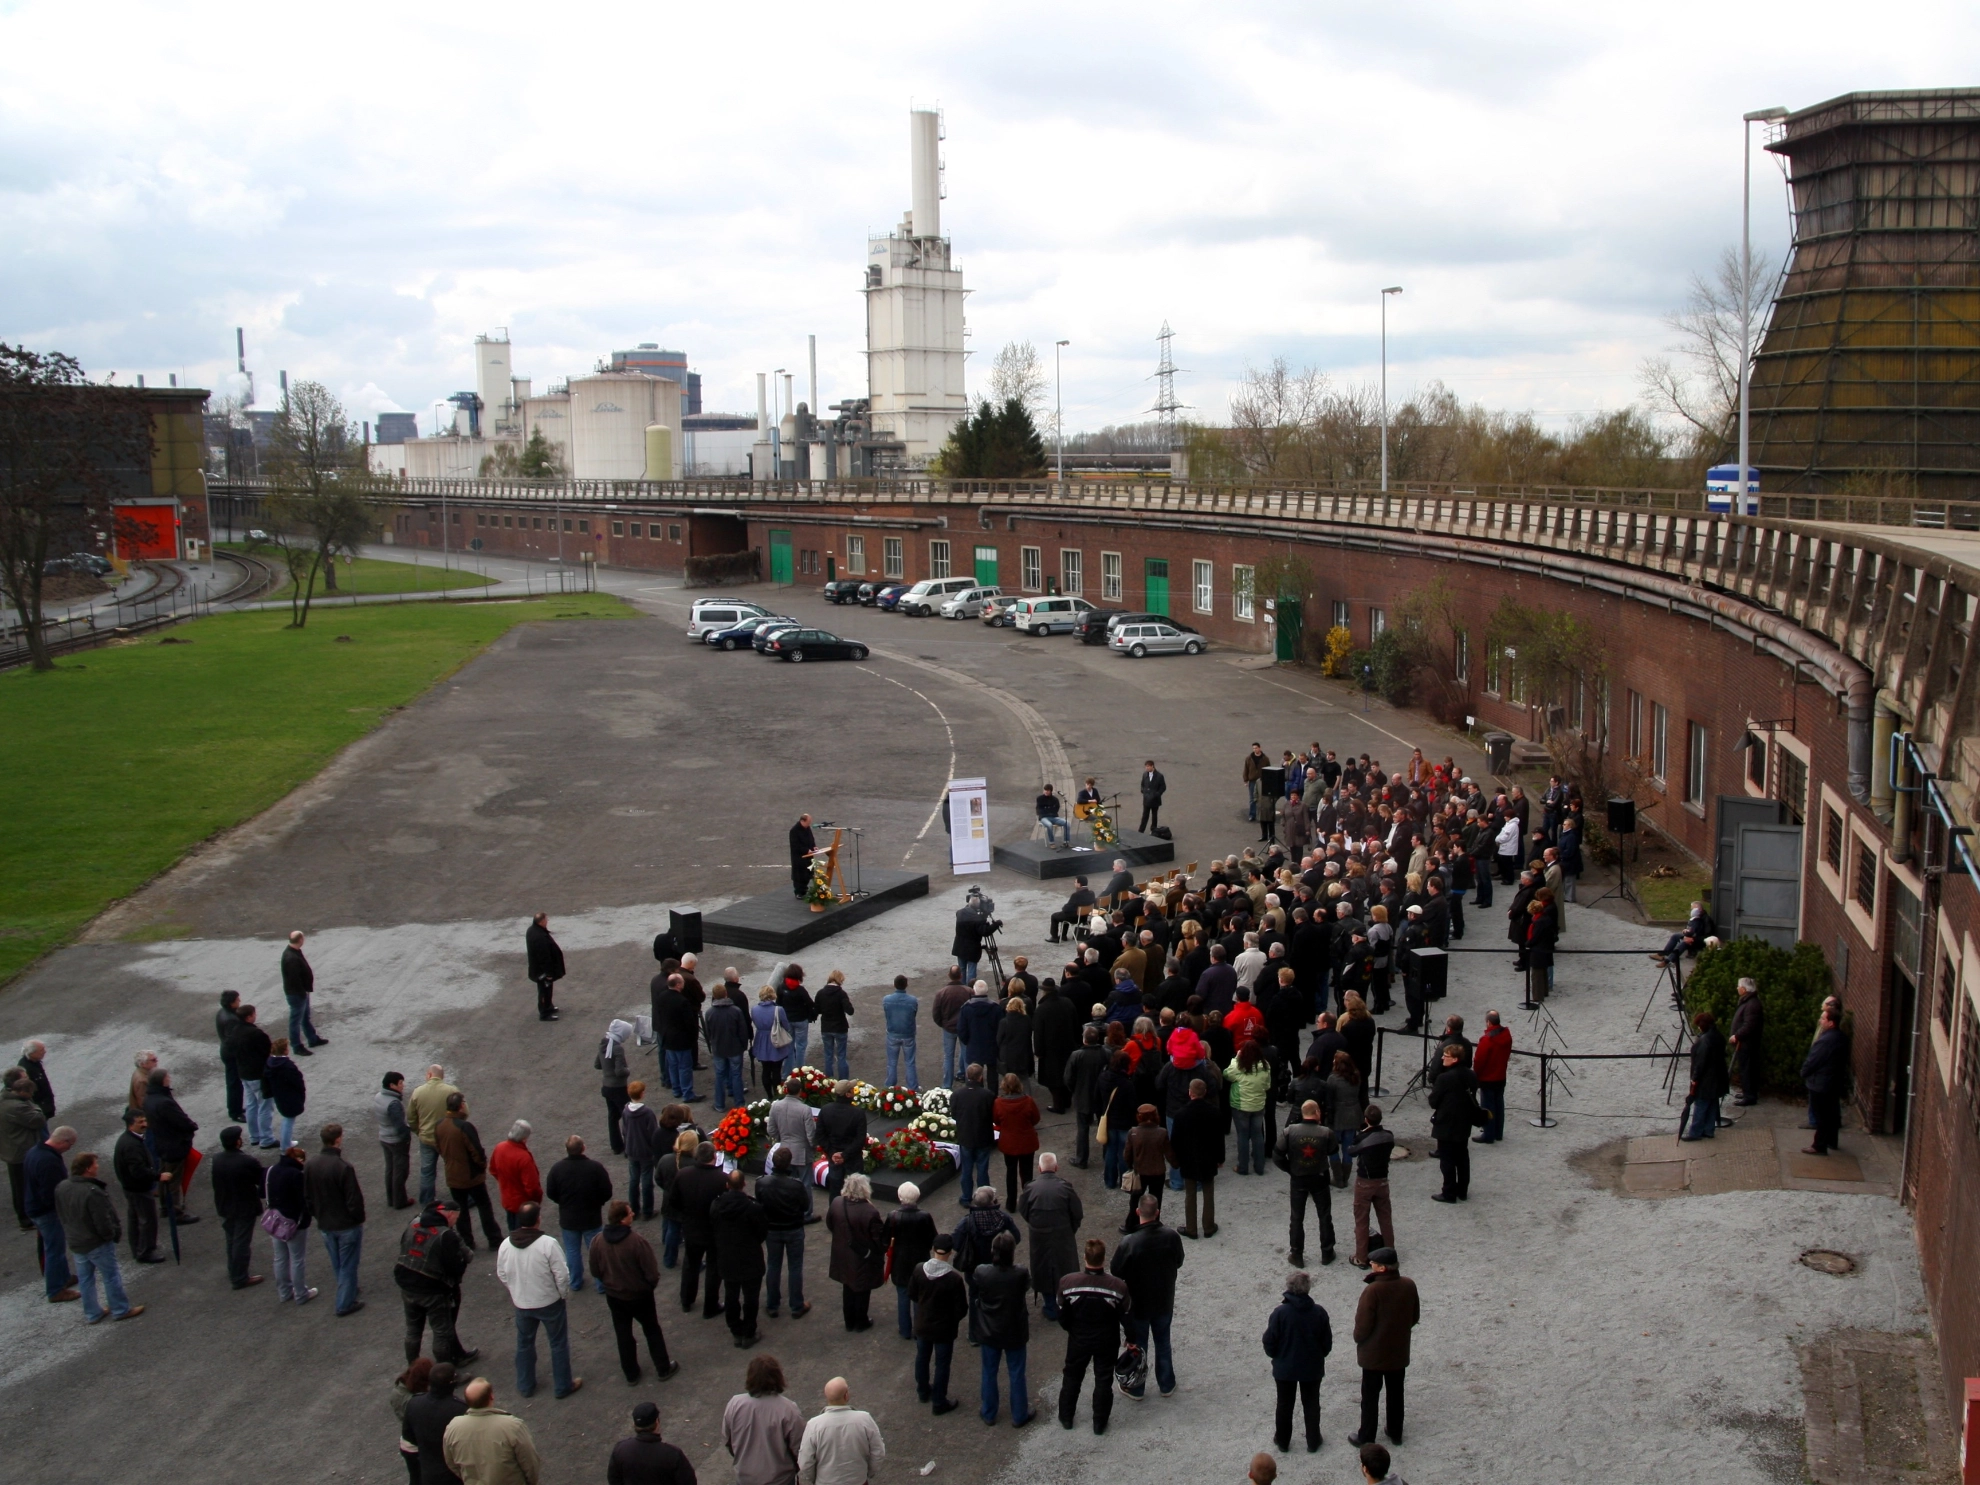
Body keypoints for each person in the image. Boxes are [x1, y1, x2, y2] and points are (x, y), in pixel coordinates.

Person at [496, 1200, 583, 1399]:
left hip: (522, 1303)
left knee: (524, 1343)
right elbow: (561, 1274)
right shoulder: (547, 1244)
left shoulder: (506, 1245)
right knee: (558, 1343)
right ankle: (562, 1386)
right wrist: (563, 1294)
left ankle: (525, 1385)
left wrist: (515, 1290)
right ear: (538, 1219)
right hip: (549, 1301)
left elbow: (502, 1273)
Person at [591, 1199, 679, 1383]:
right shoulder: (636, 1242)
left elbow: (595, 1270)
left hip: (614, 1296)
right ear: (622, 1219)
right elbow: (651, 1272)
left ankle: (630, 1373)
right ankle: (663, 1367)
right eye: (629, 1212)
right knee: (652, 1329)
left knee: (623, 1334)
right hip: (639, 1296)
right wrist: (648, 1287)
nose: (633, 1214)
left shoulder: (598, 1241)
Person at [56, 1149, 144, 1323]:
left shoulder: (62, 1187)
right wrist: (110, 1235)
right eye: (95, 1164)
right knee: (111, 1276)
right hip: (96, 1243)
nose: (98, 1166)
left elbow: (61, 1213)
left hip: (76, 1242)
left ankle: (92, 1313)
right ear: (88, 1169)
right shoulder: (92, 1191)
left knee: (85, 1279)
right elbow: (102, 1220)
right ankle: (120, 1309)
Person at [1110, 1193, 1183, 1398]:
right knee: (1163, 1342)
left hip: (1138, 1302)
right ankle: (1166, 1384)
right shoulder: (1171, 1236)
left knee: (1138, 1344)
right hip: (1164, 1299)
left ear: (1138, 1212)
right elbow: (1179, 1260)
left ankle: (1137, 1387)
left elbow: (1116, 1270)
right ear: (1157, 1213)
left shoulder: (1129, 1242)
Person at [1055, 1236, 1127, 1434]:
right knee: (1103, 1379)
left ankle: (1066, 1417)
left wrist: (1071, 1329)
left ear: (1084, 1257)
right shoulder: (1117, 1287)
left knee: (1072, 1376)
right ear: (1103, 1258)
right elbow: (1125, 1314)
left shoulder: (1068, 1283)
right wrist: (1130, 1337)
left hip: (1079, 1338)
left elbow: (1061, 1312)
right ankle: (1099, 1423)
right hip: (1107, 1339)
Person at [1348, 1248, 1419, 1448]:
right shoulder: (1408, 1285)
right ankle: (1395, 1431)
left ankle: (1366, 1435)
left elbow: (1363, 1326)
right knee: (1396, 1393)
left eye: (1374, 1263)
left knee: (1370, 1396)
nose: (1370, 1265)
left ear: (1382, 1268)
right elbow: (1414, 1317)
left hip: (1374, 1355)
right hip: (1398, 1352)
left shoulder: (1373, 1291)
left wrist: (1358, 1338)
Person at [396, 1199, 476, 1366]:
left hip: (407, 1284)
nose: (456, 1222)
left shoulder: (414, 1222)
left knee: (413, 1331)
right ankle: (445, 1373)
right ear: (451, 1215)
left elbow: (403, 1244)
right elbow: (456, 1265)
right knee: (442, 1332)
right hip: (432, 1289)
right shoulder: (445, 1235)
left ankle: (413, 1370)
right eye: (456, 1218)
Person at [1263, 1269, 1332, 1453]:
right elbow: (1327, 1343)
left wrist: (1277, 1357)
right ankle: (1313, 1440)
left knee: (1284, 1404)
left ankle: (1283, 1440)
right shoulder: (1319, 1312)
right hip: (1312, 1367)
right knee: (1311, 1403)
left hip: (1285, 1368)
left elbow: (1269, 1341)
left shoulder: (1280, 1313)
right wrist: (1318, 1357)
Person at [971, 1229, 1033, 1426]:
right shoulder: (1020, 1273)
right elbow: (1025, 1288)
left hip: (990, 1329)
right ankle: (1019, 1414)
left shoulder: (982, 1272)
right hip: (1014, 1329)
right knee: (1016, 1372)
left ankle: (989, 1412)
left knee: (989, 1371)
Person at [308, 1121, 368, 1315]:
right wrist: (357, 1218)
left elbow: (307, 1197)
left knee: (337, 1262)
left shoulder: (310, 1165)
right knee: (349, 1263)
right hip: (346, 1224)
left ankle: (348, 1288)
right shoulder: (343, 1167)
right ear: (338, 1139)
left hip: (325, 1223)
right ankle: (344, 1303)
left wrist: (316, 1214)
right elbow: (354, 1199)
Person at [1013, 1152, 1082, 1320]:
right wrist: (1069, 1229)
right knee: (1065, 1266)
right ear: (1056, 1168)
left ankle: (1050, 1307)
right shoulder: (1065, 1188)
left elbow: (1023, 1210)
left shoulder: (1030, 1188)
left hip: (1039, 1236)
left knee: (1042, 1269)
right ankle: (1066, 1304)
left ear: (1039, 1168)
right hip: (1063, 1234)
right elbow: (1077, 1213)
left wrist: (1035, 1225)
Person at [544, 1133, 613, 1294]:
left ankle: (575, 1282)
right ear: (583, 1148)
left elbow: (551, 1192)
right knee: (596, 1250)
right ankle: (601, 1283)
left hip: (569, 1218)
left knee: (572, 1251)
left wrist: (563, 1202)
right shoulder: (595, 1167)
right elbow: (607, 1191)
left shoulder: (557, 1169)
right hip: (591, 1217)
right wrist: (598, 1202)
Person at [724, 1354, 807, 1485]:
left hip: (745, 1478)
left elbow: (729, 1440)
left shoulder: (735, 1404)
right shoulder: (788, 1410)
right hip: (780, 1479)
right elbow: (800, 1449)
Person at [1274, 1099, 1339, 1265]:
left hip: (1298, 1178)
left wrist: (1290, 1168)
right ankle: (1327, 1252)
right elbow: (1333, 1150)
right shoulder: (1326, 1133)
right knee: (1324, 1215)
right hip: (1319, 1177)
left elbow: (1277, 1155)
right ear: (1317, 1112)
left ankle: (1296, 1254)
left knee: (1296, 1217)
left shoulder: (1289, 1131)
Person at [442, 1378, 542, 1485]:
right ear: (491, 1396)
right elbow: (530, 1462)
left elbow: (451, 1462)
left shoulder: (453, 1427)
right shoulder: (512, 1426)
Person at [908, 1235, 968, 1413]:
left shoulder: (919, 1270)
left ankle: (923, 1390)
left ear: (933, 1250)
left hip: (923, 1323)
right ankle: (939, 1401)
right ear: (950, 1253)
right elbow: (962, 1309)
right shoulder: (954, 1279)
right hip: (944, 1328)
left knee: (922, 1357)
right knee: (942, 1364)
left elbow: (912, 1294)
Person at [436, 1094, 502, 1252]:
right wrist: (481, 1166)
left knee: (461, 1210)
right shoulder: (464, 1127)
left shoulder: (439, 1125)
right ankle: (494, 1238)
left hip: (452, 1175)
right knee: (484, 1206)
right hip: (471, 1176)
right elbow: (476, 1152)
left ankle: (467, 1241)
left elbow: (439, 1148)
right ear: (460, 1106)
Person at [712, 1169, 769, 1346]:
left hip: (727, 1258)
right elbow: (761, 1233)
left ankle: (735, 1329)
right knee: (751, 1297)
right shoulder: (753, 1208)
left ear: (727, 1185)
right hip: (750, 1258)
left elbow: (714, 1227)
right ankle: (749, 1331)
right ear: (744, 1184)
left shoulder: (716, 1206)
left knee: (731, 1295)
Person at [826, 1172, 886, 1331]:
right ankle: (861, 1322)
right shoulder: (869, 1211)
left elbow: (830, 1225)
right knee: (862, 1289)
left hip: (842, 1254)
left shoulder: (837, 1202)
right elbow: (879, 1239)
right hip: (862, 1257)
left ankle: (849, 1321)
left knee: (847, 1286)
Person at [795, 1377, 885, 1485]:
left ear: (826, 1396)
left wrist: (816, 1479)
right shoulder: (864, 1419)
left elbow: (805, 1462)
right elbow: (878, 1451)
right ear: (846, 1395)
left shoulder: (814, 1425)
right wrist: (867, 1473)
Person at [675, 1141, 729, 1317]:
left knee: (690, 1265)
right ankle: (710, 1305)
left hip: (691, 1229)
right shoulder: (721, 1179)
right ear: (714, 1157)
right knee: (714, 1268)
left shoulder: (683, 1175)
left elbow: (673, 1202)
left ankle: (686, 1300)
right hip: (714, 1232)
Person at [210, 1125, 267, 1289]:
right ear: (237, 1142)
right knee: (241, 1242)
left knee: (231, 1239)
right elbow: (261, 1179)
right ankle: (240, 1277)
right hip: (244, 1207)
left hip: (224, 1205)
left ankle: (233, 1270)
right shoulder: (246, 1161)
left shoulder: (217, 1159)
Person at [26, 1124, 79, 1301]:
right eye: (70, 1145)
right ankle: (56, 1290)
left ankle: (63, 1277)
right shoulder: (49, 1162)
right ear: (64, 1141)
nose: (69, 1149)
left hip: (34, 1207)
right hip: (46, 1212)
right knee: (54, 1249)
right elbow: (51, 1193)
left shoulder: (34, 1152)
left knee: (54, 1247)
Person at [143, 1066, 202, 1221]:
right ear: (162, 1081)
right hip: (174, 1144)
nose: (169, 1078)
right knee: (174, 1179)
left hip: (161, 1143)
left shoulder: (149, 1098)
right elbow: (179, 1120)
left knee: (164, 1177)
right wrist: (192, 1126)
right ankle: (175, 1212)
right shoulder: (164, 1102)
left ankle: (165, 1206)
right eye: (167, 1077)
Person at [262, 1142, 317, 1304]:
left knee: (280, 1258)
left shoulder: (271, 1170)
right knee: (297, 1259)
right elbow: (303, 1201)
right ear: (298, 1159)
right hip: (293, 1222)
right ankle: (301, 1294)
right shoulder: (296, 1175)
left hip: (275, 1220)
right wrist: (306, 1219)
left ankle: (284, 1293)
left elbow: (262, 1191)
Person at [112, 1109, 165, 1265]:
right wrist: (157, 1176)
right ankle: (145, 1252)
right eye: (140, 1122)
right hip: (138, 1189)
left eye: (144, 1121)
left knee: (135, 1219)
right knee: (147, 1220)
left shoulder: (128, 1140)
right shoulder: (131, 1145)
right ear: (130, 1125)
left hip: (131, 1188)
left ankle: (138, 1248)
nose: (145, 1125)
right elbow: (138, 1171)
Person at [884, 1180, 937, 1337]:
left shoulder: (892, 1216)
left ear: (900, 1197)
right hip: (920, 1261)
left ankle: (905, 1329)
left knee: (902, 1295)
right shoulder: (925, 1217)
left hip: (899, 1263)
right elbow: (933, 1238)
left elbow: (885, 1239)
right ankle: (918, 1329)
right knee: (919, 1296)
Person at [1428, 1044, 1480, 1200]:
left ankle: (1449, 1192)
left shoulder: (1444, 1078)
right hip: (1464, 1121)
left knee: (1447, 1160)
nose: (1443, 1057)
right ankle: (1462, 1190)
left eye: (1446, 1055)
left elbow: (1433, 1101)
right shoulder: (1471, 1075)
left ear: (1455, 1059)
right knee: (1462, 1157)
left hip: (1447, 1123)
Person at [403, 1362, 468, 1485]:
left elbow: (409, 1439)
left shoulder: (414, 1403)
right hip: (454, 1475)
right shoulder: (460, 1410)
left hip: (428, 1474)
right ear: (452, 1385)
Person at [1349, 1105, 1397, 1268]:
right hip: (1382, 1180)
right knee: (1385, 1217)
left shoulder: (1363, 1138)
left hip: (1365, 1182)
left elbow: (1351, 1151)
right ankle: (1390, 1252)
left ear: (1366, 1119)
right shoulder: (1388, 1136)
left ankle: (1361, 1258)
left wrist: (1361, 1133)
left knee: (1362, 1220)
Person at [1, 1068, 46, 1233]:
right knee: (23, 1187)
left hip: (13, 1149)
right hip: (20, 1151)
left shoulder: (5, 1099)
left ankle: (26, 1215)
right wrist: (35, 1106)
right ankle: (25, 1218)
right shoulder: (17, 1107)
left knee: (21, 1185)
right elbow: (38, 1120)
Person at [408, 1066, 461, 1209]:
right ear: (442, 1076)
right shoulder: (451, 1091)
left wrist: (418, 1131)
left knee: (427, 1170)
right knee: (453, 1167)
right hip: (446, 1138)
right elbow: (464, 1111)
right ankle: (461, 1198)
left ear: (430, 1074)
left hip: (426, 1138)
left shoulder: (418, 1092)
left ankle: (427, 1200)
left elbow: (411, 1117)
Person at [1803, 1008, 1850, 1155]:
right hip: (1833, 1082)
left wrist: (1804, 1072)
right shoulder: (1841, 1038)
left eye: (1823, 1019)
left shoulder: (1825, 1041)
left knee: (1821, 1116)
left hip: (1821, 1084)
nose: (1820, 1021)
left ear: (1831, 1023)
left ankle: (1819, 1145)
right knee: (1832, 1113)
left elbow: (1813, 1061)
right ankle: (1831, 1141)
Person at [229, 1005, 276, 1147]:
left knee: (251, 1105)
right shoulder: (256, 1034)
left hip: (244, 1073)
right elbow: (268, 1051)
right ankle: (266, 1139)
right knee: (265, 1107)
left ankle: (254, 1136)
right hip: (258, 1075)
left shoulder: (234, 1031)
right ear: (249, 1016)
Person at [813, 1079, 869, 1198]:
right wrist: (845, 1155)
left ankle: (834, 1214)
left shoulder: (825, 1110)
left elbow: (820, 1136)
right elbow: (860, 1139)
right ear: (848, 1094)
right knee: (857, 1192)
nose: (854, 1092)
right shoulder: (858, 1113)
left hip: (834, 1158)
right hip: (853, 1158)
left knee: (835, 1190)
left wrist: (833, 1153)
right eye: (852, 1090)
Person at [992, 1072, 1041, 1207]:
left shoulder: (999, 1103)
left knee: (1011, 1172)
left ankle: (1011, 1202)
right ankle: (1028, 1201)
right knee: (1027, 1174)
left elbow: (996, 1121)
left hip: (1008, 1143)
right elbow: (1036, 1119)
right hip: (1027, 1142)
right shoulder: (1028, 1101)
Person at [951, 1065, 996, 1204]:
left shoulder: (957, 1095)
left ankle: (966, 1198)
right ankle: (985, 1198)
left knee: (967, 1169)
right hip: (983, 1137)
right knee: (982, 1169)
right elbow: (993, 1115)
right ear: (981, 1077)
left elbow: (954, 1115)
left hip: (966, 1137)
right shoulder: (988, 1095)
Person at [1683, 1011, 1731, 1142]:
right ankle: (1709, 1130)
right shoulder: (1718, 1036)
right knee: (1712, 1103)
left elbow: (1700, 1063)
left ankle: (1695, 1132)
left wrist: (1694, 1078)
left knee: (1701, 1104)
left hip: (1706, 1079)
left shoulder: (1704, 1041)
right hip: (1718, 1077)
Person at [1122, 1104, 1171, 1230]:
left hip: (1140, 1172)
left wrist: (1130, 1166)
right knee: (1157, 1199)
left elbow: (1127, 1153)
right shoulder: (1162, 1132)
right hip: (1158, 1172)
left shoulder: (1133, 1132)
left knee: (1135, 1200)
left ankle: (1131, 1225)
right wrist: (1176, 1164)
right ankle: (1154, 1226)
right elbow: (1168, 1152)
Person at [489, 1121, 542, 1233]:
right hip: (523, 1205)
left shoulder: (499, 1147)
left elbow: (493, 1170)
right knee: (525, 1234)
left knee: (512, 1230)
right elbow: (532, 1187)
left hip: (507, 1200)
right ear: (524, 1138)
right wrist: (536, 1202)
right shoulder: (524, 1158)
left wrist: (505, 1182)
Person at [280, 931, 328, 1054]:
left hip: (300, 992)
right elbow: (294, 979)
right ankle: (296, 1046)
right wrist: (302, 993)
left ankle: (313, 1039)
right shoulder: (291, 958)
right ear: (300, 939)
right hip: (297, 994)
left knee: (304, 1017)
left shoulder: (293, 952)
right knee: (296, 1020)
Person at [705, 988, 750, 1113]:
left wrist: (712, 1044)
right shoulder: (736, 1011)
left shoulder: (709, 1013)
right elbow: (742, 1031)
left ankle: (719, 1104)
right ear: (726, 994)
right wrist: (743, 1046)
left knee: (719, 1076)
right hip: (735, 1048)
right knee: (736, 1075)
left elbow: (708, 1033)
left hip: (718, 1049)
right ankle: (739, 1103)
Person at [621, 1081, 661, 1221]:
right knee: (646, 1181)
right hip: (645, 1151)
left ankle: (635, 1209)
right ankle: (648, 1211)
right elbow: (653, 1133)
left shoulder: (626, 1111)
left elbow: (624, 1130)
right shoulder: (647, 1113)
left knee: (633, 1180)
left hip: (631, 1150)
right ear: (642, 1094)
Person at [392, 1358, 434, 1484]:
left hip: (407, 1443)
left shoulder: (398, 1390)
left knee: (416, 1477)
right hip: (418, 1446)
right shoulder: (415, 1402)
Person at [1472, 1011, 1512, 1143]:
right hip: (1501, 1076)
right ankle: (1498, 1132)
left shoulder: (1487, 1039)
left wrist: (1476, 1075)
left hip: (1488, 1078)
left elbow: (1479, 1060)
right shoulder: (1506, 1035)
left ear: (1488, 1022)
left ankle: (1488, 1135)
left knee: (1488, 1107)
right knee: (1499, 1104)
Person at [598, 1018, 635, 1156]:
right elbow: (620, 1071)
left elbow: (597, 1064)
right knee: (628, 1117)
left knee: (613, 1117)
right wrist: (628, 1070)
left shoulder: (603, 1044)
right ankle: (629, 1146)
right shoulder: (617, 1048)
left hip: (606, 1087)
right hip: (618, 1088)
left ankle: (616, 1146)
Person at [956, 982, 1004, 1084]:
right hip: (991, 1045)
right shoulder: (995, 1008)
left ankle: (978, 1096)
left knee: (975, 1074)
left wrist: (967, 1041)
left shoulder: (966, 1008)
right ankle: (992, 1095)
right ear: (987, 991)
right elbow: (1001, 1028)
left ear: (974, 991)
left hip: (974, 1045)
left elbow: (961, 1029)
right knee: (993, 1073)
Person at [379, 1071, 414, 1210]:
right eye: (400, 1083)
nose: (403, 1086)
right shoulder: (393, 1103)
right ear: (392, 1085)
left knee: (390, 1169)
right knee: (400, 1171)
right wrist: (407, 1137)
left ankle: (391, 1198)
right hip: (396, 1140)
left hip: (384, 1137)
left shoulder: (379, 1096)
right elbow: (400, 1126)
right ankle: (400, 1200)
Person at [1730, 977, 1766, 1106]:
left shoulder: (1752, 1004)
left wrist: (1737, 1036)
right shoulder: (1749, 1002)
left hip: (1747, 1044)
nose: (1737, 988)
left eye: (1738, 986)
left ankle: (1750, 1096)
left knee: (1748, 1069)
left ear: (1744, 989)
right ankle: (1748, 1092)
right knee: (1746, 1068)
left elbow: (1749, 1025)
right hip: (1746, 1043)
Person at [753, 987, 794, 1096]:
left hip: (761, 1040)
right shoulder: (778, 1009)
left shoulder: (754, 1009)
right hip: (775, 1040)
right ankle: (777, 1093)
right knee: (776, 1070)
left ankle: (768, 1094)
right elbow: (786, 1025)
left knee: (765, 1070)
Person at [813, 972, 855, 1081]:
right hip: (840, 1028)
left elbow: (816, 1010)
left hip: (826, 1028)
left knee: (828, 1056)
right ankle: (843, 1081)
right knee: (841, 1056)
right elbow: (850, 1011)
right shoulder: (841, 994)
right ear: (839, 980)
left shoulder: (820, 993)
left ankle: (829, 1081)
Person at [881, 975, 919, 1090]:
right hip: (908, 1035)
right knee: (910, 1062)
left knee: (892, 1062)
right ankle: (913, 1088)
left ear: (894, 984)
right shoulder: (913, 1001)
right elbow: (914, 1014)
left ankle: (889, 1086)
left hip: (893, 1034)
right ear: (906, 985)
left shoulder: (887, 1000)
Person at [525, 912, 565, 1022]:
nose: (547, 921)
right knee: (544, 991)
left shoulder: (532, 930)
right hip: (542, 972)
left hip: (539, 970)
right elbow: (544, 957)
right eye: (546, 920)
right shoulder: (539, 937)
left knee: (547, 989)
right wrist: (548, 974)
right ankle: (544, 1013)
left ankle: (549, 1006)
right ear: (541, 922)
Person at [216, 991, 246, 1124]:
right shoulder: (231, 1020)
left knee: (234, 1082)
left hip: (227, 1052)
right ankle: (235, 1112)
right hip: (232, 1055)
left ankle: (236, 1108)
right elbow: (232, 1040)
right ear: (232, 1002)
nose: (239, 1001)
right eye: (237, 1000)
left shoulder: (221, 1013)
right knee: (234, 1083)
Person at [996, 996, 1036, 1092]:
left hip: (1007, 1056)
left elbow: (998, 1040)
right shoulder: (1027, 1020)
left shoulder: (1004, 1022)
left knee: (1008, 1080)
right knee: (1024, 1080)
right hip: (1023, 1054)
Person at [1049, 876, 1097, 946]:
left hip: (1074, 918)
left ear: (1079, 884)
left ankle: (1054, 937)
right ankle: (1063, 935)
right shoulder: (1091, 893)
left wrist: (1064, 908)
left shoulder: (1076, 895)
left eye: (1075, 882)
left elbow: (1067, 908)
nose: (1074, 884)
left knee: (1054, 916)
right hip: (1084, 917)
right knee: (1065, 914)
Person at [790, 813, 818, 897]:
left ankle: (805, 890)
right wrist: (806, 850)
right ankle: (799, 892)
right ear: (802, 821)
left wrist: (814, 847)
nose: (809, 824)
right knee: (800, 876)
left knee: (807, 874)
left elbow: (811, 838)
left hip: (808, 856)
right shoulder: (794, 831)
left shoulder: (807, 828)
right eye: (808, 822)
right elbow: (795, 845)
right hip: (799, 858)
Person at [1138, 760, 1167, 835]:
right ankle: (1141, 830)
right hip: (1147, 799)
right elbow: (1143, 784)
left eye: (1148, 766)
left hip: (1155, 799)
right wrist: (1143, 791)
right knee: (1145, 815)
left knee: (1154, 815)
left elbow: (1163, 787)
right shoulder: (1145, 775)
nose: (1146, 768)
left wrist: (1157, 794)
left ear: (1152, 766)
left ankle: (1153, 829)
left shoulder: (1159, 776)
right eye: (1146, 766)